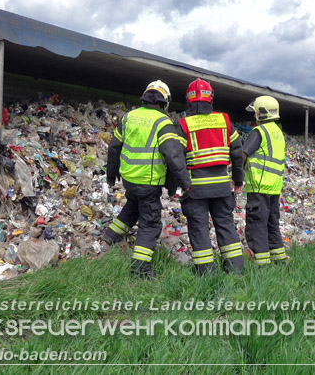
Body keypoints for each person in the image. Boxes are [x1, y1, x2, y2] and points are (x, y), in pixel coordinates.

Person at [103, 80, 191, 280]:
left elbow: (114, 147)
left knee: (133, 205)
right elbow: (174, 156)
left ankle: (110, 235)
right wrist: (185, 182)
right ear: (165, 102)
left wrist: (111, 172)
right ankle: (140, 267)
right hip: (148, 181)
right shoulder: (163, 123)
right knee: (150, 223)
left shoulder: (129, 117)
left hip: (129, 178)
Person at [176, 79, 245, 275]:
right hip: (222, 188)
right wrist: (238, 180)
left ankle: (206, 273)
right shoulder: (224, 120)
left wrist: (179, 183)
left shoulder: (183, 124)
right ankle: (235, 271)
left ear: (189, 100)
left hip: (195, 188)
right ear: (211, 98)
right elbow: (238, 152)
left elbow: (176, 157)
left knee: (199, 228)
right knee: (225, 224)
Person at [242, 96, 287, 266]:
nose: (254, 116)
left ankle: (262, 265)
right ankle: (279, 260)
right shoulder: (278, 133)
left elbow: (243, 155)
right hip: (274, 188)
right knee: (272, 224)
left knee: (257, 226)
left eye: (255, 113)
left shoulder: (259, 132)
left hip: (259, 187)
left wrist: (235, 172)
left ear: (261, 113)